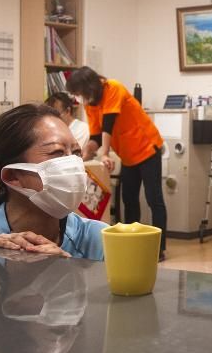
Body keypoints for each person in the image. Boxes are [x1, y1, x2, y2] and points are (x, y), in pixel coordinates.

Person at [0, 103, 108, 260]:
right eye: (57, 153)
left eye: (77, 153)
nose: (73, 164)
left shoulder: (98, 238)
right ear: (12, 176)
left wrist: (65, 270)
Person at [66, 66, 167, 260]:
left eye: (79, 93)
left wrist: (104, 154)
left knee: (154, 199)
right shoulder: (90, 104)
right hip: (128, 155)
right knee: (129, 199)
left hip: (147, 148)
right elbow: (96, 136)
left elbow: (108, 125)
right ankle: (132, 243)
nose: (79, 98)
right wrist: (84, 153)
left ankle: (158, 249)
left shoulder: (113, 88)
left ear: (88, 87)